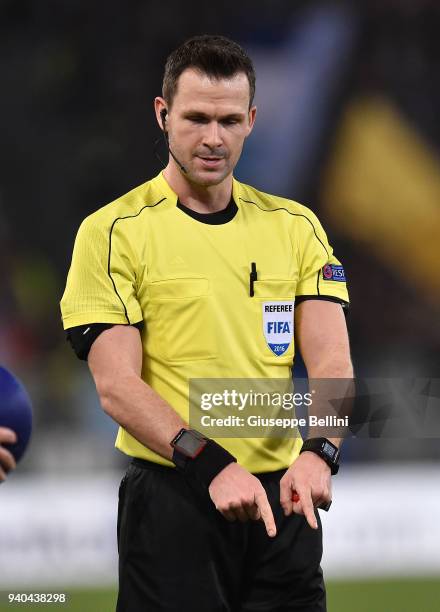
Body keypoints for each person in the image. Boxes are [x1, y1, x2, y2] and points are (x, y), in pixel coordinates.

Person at [60, 35, 352, 611]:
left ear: (251, 120)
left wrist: (320, 451)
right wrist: (210, 464)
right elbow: (117, 386)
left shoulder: (296, 227)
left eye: (227, 120)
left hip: (284, 506)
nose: (212, 138)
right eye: (195, 118)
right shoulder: (113, 231)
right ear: (163, 115)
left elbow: (333, 362)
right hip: (176, 497)